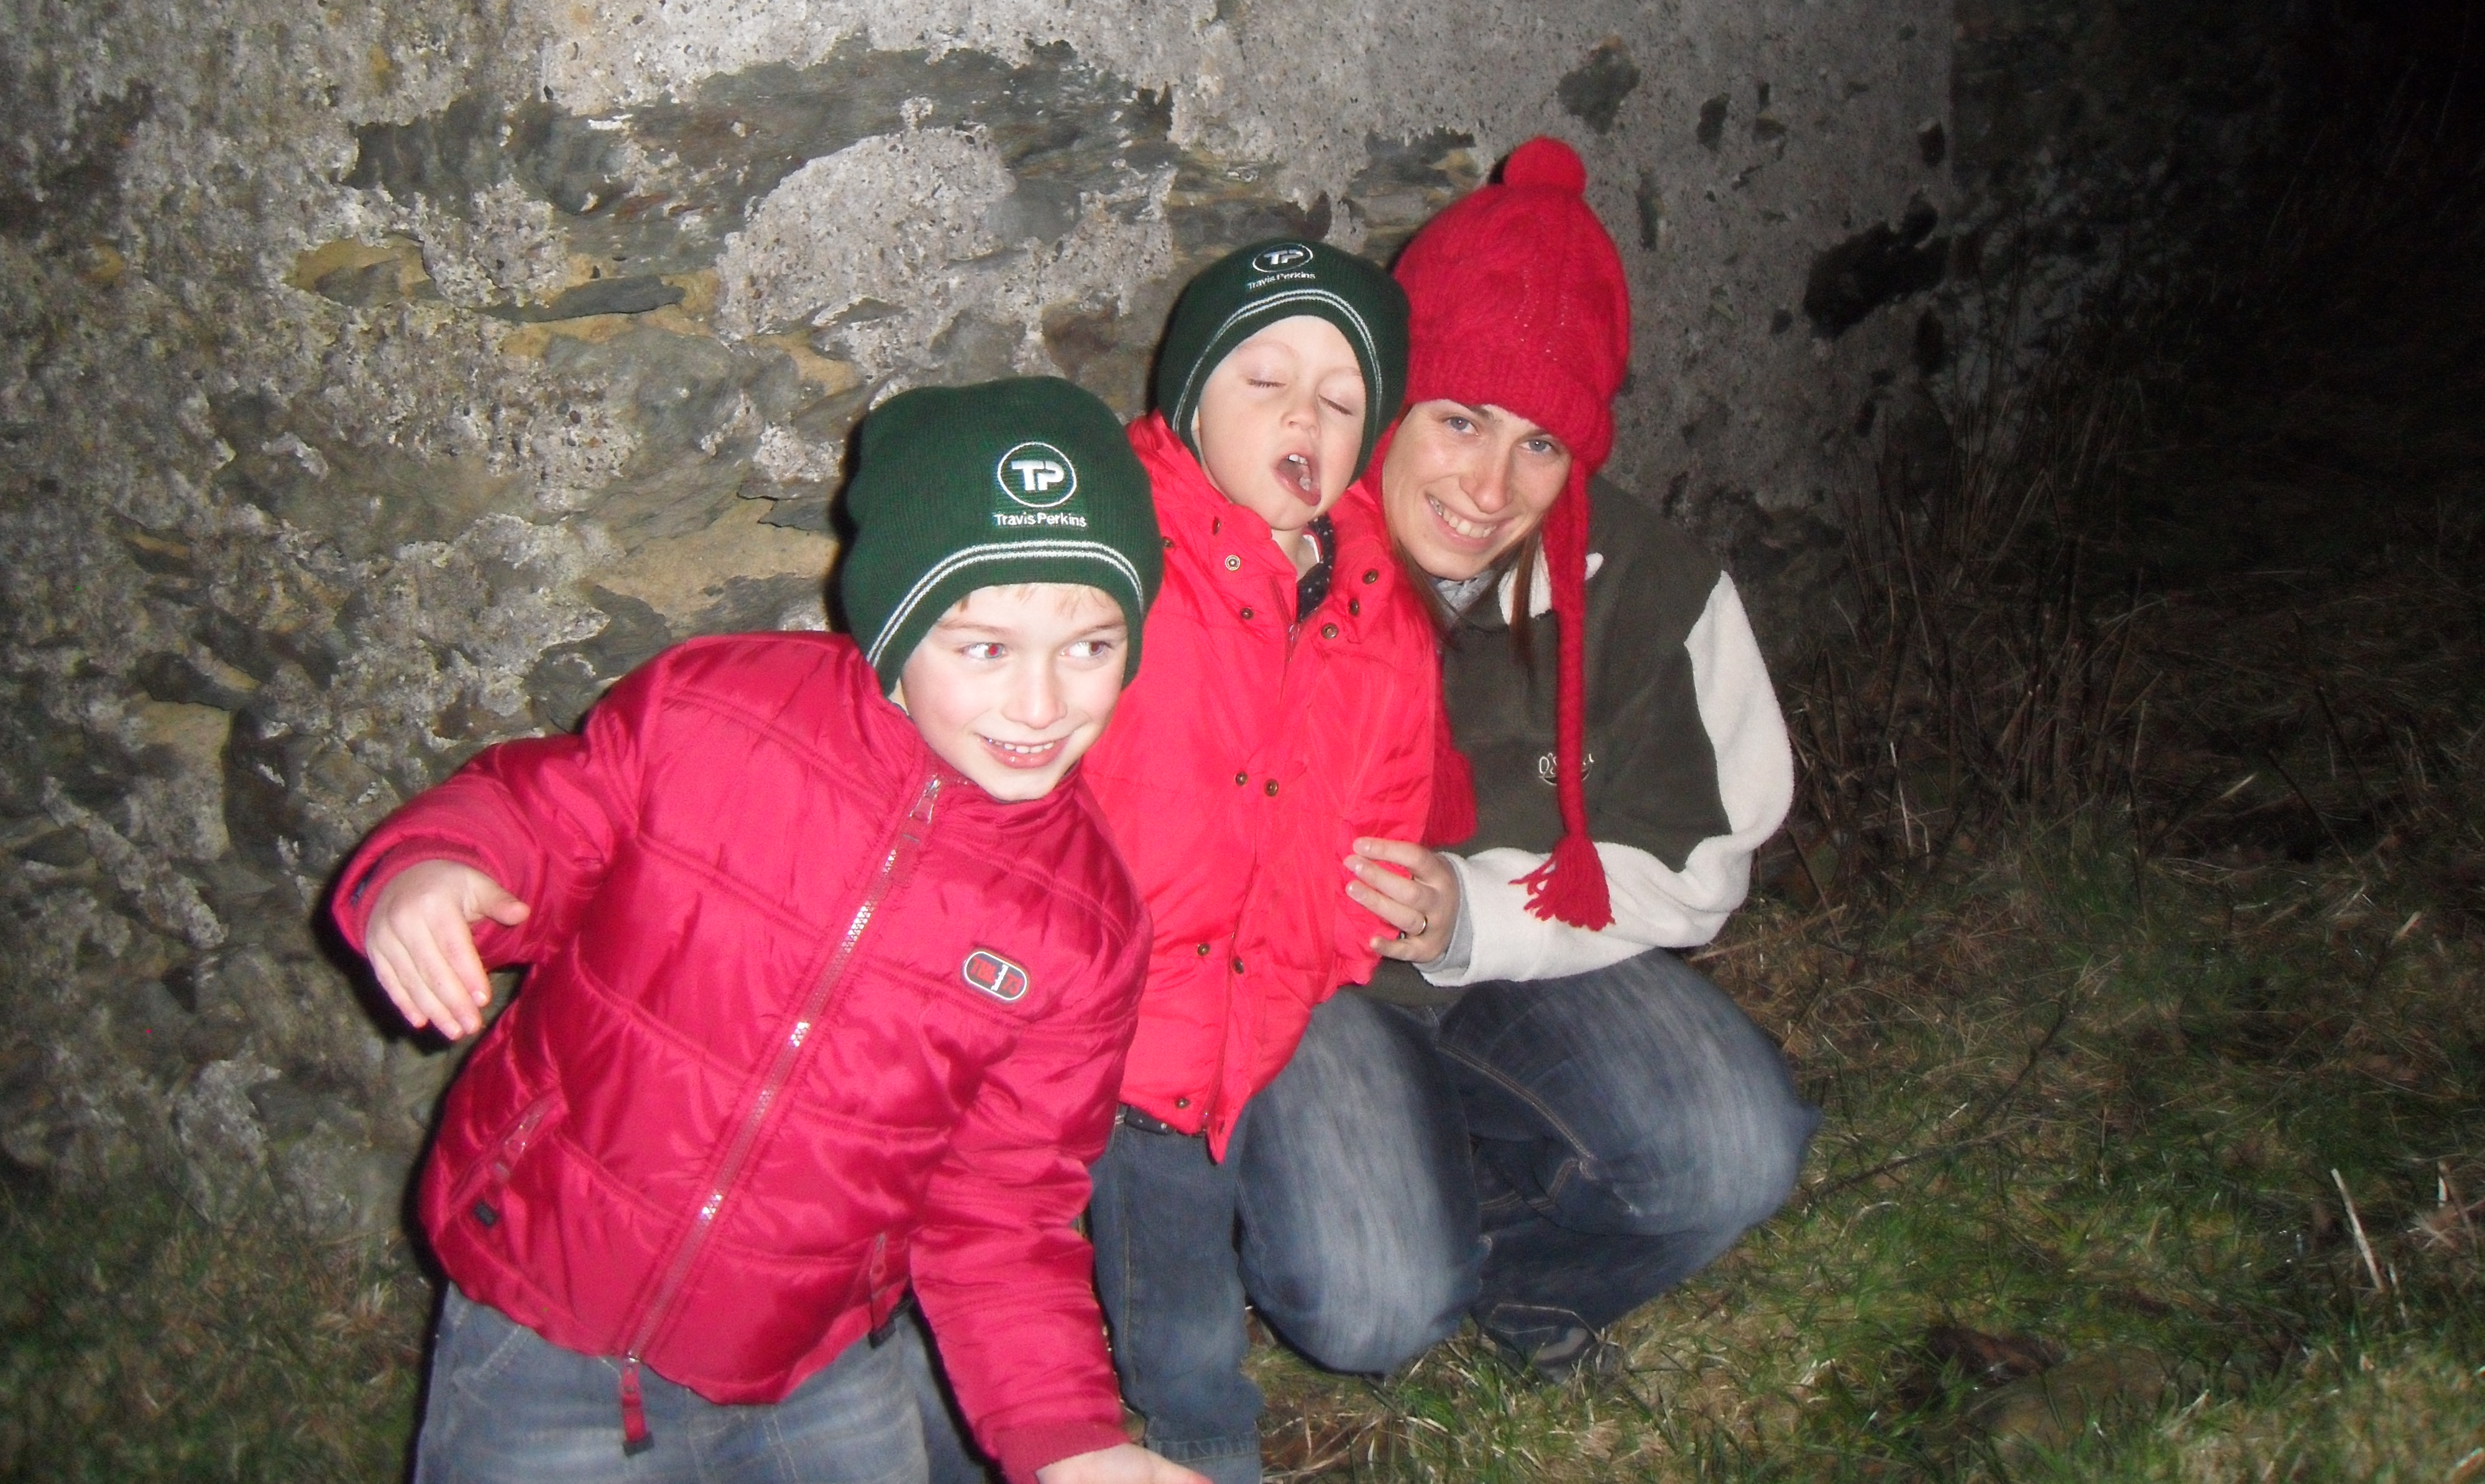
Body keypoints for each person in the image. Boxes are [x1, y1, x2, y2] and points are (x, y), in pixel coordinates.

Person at [330, 377, 1207, 1484]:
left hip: (812, 1359)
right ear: (894, 621)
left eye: (1090, 647)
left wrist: (1068, 1438)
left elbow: (1003, 1208)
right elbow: (537, 822)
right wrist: (437, 869)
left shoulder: (1084, 928)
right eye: (984, 647)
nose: (1042, 705)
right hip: (546, 1313)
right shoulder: (711, 713)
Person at [1262, 134, 1821, 1380]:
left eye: (1541, 444)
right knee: (1369, 1311)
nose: (1489, 486)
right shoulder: (1272, 548)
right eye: (1460, 420)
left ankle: (1519, 1269)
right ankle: (1399, 1211)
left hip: (1529, 960)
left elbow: (1701, 857)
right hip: (1308, 989)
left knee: (1734, 1151)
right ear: (1392, 401)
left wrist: (1474, 911)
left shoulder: (1651, 588)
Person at [1074, 239, 1448, 1484]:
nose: (1304, 417)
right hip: (1132, 1027)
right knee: (1173, 1290)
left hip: (1269, 997)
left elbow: (1389, 794)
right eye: (1264, 382)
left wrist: (1333, 946)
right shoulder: (1122, 556)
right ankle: (1197, 1441)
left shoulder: (1376, 599)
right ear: (1187, 405)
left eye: (1340, 400)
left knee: (1205, 1223)